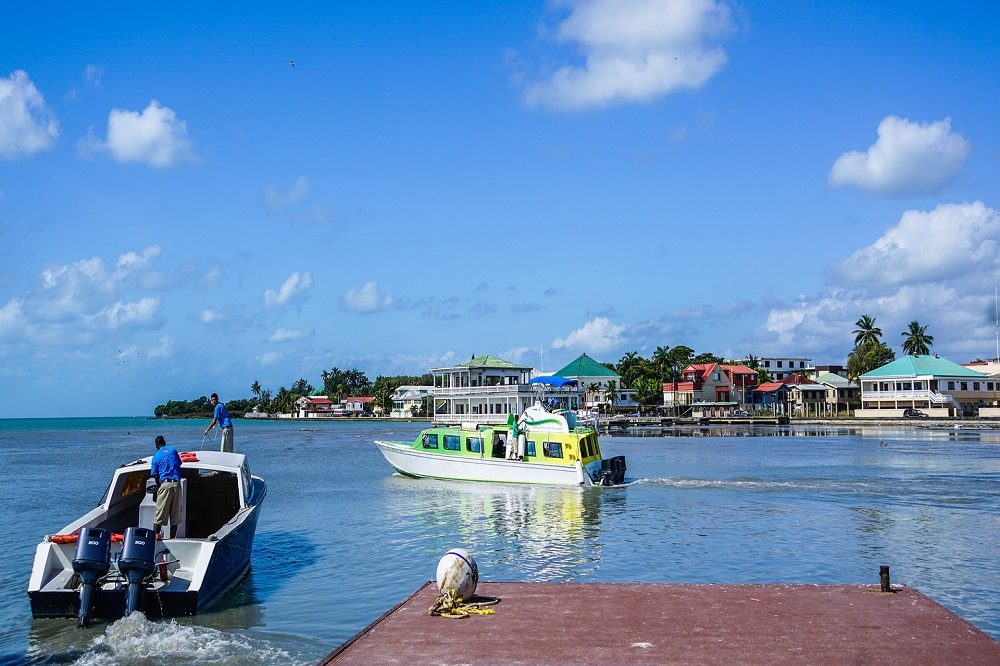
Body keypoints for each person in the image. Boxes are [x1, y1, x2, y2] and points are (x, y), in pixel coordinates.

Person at [150, 435, 182, 539]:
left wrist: (159, 487)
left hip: (165, 484)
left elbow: (155, 475)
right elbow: (178, 464)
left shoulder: (155, 457)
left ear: (156, 445)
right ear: (165, 442)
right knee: (175, 518)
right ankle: (172, 539)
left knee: (158, 517)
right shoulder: (173, 450)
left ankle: (156, 539)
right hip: (177, 485)